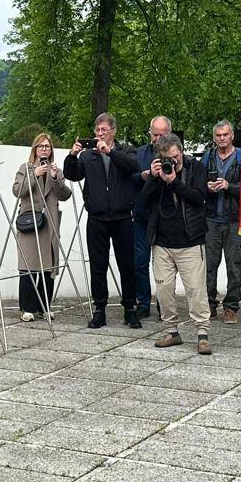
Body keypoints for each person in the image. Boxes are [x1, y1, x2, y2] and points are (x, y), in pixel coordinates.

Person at [64, 112, 140, 328]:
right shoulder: (88, 156)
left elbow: (132, 167)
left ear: (113, 131)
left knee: (127, 265)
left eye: (104, 130)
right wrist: (72, 155)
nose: (100, 134)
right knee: (98, 266)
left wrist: (110, 153)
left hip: (122, 217)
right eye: (97, 130)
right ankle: (99, 309)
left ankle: (130, 309)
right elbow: (72, 175)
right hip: (97, 218)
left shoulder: (126, 150)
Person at [143, 133, 212, 354]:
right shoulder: (157, 173)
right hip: (162, 243)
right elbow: (142, 204)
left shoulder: (195, 168)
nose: (173, 161)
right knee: (163, 290)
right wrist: (153, 178)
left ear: (181, 151)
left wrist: (173, 182)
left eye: (176, 156)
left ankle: (202, 335)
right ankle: (171, 332)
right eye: (168, 158)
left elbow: (198, 198)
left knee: (196, 290)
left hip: (190, 241)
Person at [11, 132, 72, 321]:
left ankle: (43, 307)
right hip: (30, 223)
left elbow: (65, 195)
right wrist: (34, 175)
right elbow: (17, 191)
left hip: (49, 224)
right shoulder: (26, 168)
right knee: (29, 266)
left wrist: (54, 178)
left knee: (47, 267)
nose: (44, 149)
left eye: (47, 146)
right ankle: (26, 308)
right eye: (41, 146)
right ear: (35, 149)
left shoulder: (56, 170)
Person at [203, 119, 241, 323]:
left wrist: (229, 186)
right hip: (211, 218)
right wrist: (207, 187)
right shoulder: (207, 157)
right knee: (209, 266)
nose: (222, 138)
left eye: (225, 135)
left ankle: (231, 307)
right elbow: (197, 184)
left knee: (234, 266)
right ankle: (209, 305)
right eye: (218, 135)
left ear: (232, 136)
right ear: (214, 138)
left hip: (235, 220)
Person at [130, 115, 173, 320]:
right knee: (140, 262)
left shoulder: (176, 154)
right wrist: (146, 175)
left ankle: (164, 304)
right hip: (142, 215)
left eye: (162, 135)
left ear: (169, 134)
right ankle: (143, 302)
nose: (157, 139)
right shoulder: (139, 153)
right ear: (149, 133)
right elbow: (130, 179)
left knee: (165, 266)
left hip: (166, 217)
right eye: (154, 134)